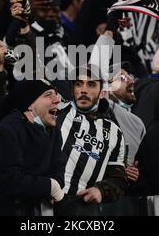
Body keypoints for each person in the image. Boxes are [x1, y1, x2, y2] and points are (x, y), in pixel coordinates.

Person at [0, 80, 66, 216]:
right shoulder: (3, 130)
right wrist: (49, 186)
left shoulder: (54, 132)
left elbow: (58, 168)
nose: (57, 100)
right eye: (48, 95)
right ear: (30, 104)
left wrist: (54, 184)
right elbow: (7, 180)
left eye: (56, 95)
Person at [54, 65, 127, 215]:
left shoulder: (115, 132)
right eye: (78, 84)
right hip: (47, 203)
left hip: (84, 208)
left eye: (91, 84)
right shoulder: (56, 112)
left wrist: (101, 191)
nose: (83, 90)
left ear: (102, 92)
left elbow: (118, 178)